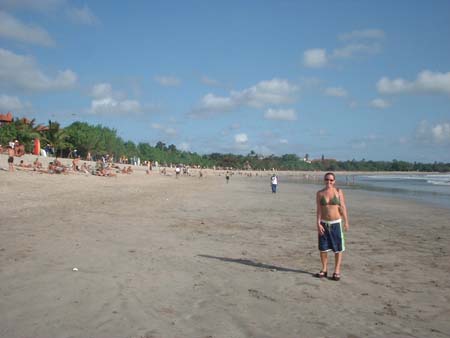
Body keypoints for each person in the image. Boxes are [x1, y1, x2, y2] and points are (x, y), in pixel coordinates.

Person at [315, 172, 349, 281]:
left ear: (334, 181)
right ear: (324, 180)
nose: (329, 182)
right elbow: (319, 210)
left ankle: (336, 271)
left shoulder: (338, 192)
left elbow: (343, 207)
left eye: (331, 180)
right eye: (327, 179)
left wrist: (346, 222)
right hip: (324, 224)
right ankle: (324, 269)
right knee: (323, 249)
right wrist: (318, 223)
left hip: (336, 224)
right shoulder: (320, 193)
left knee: (338, 249)